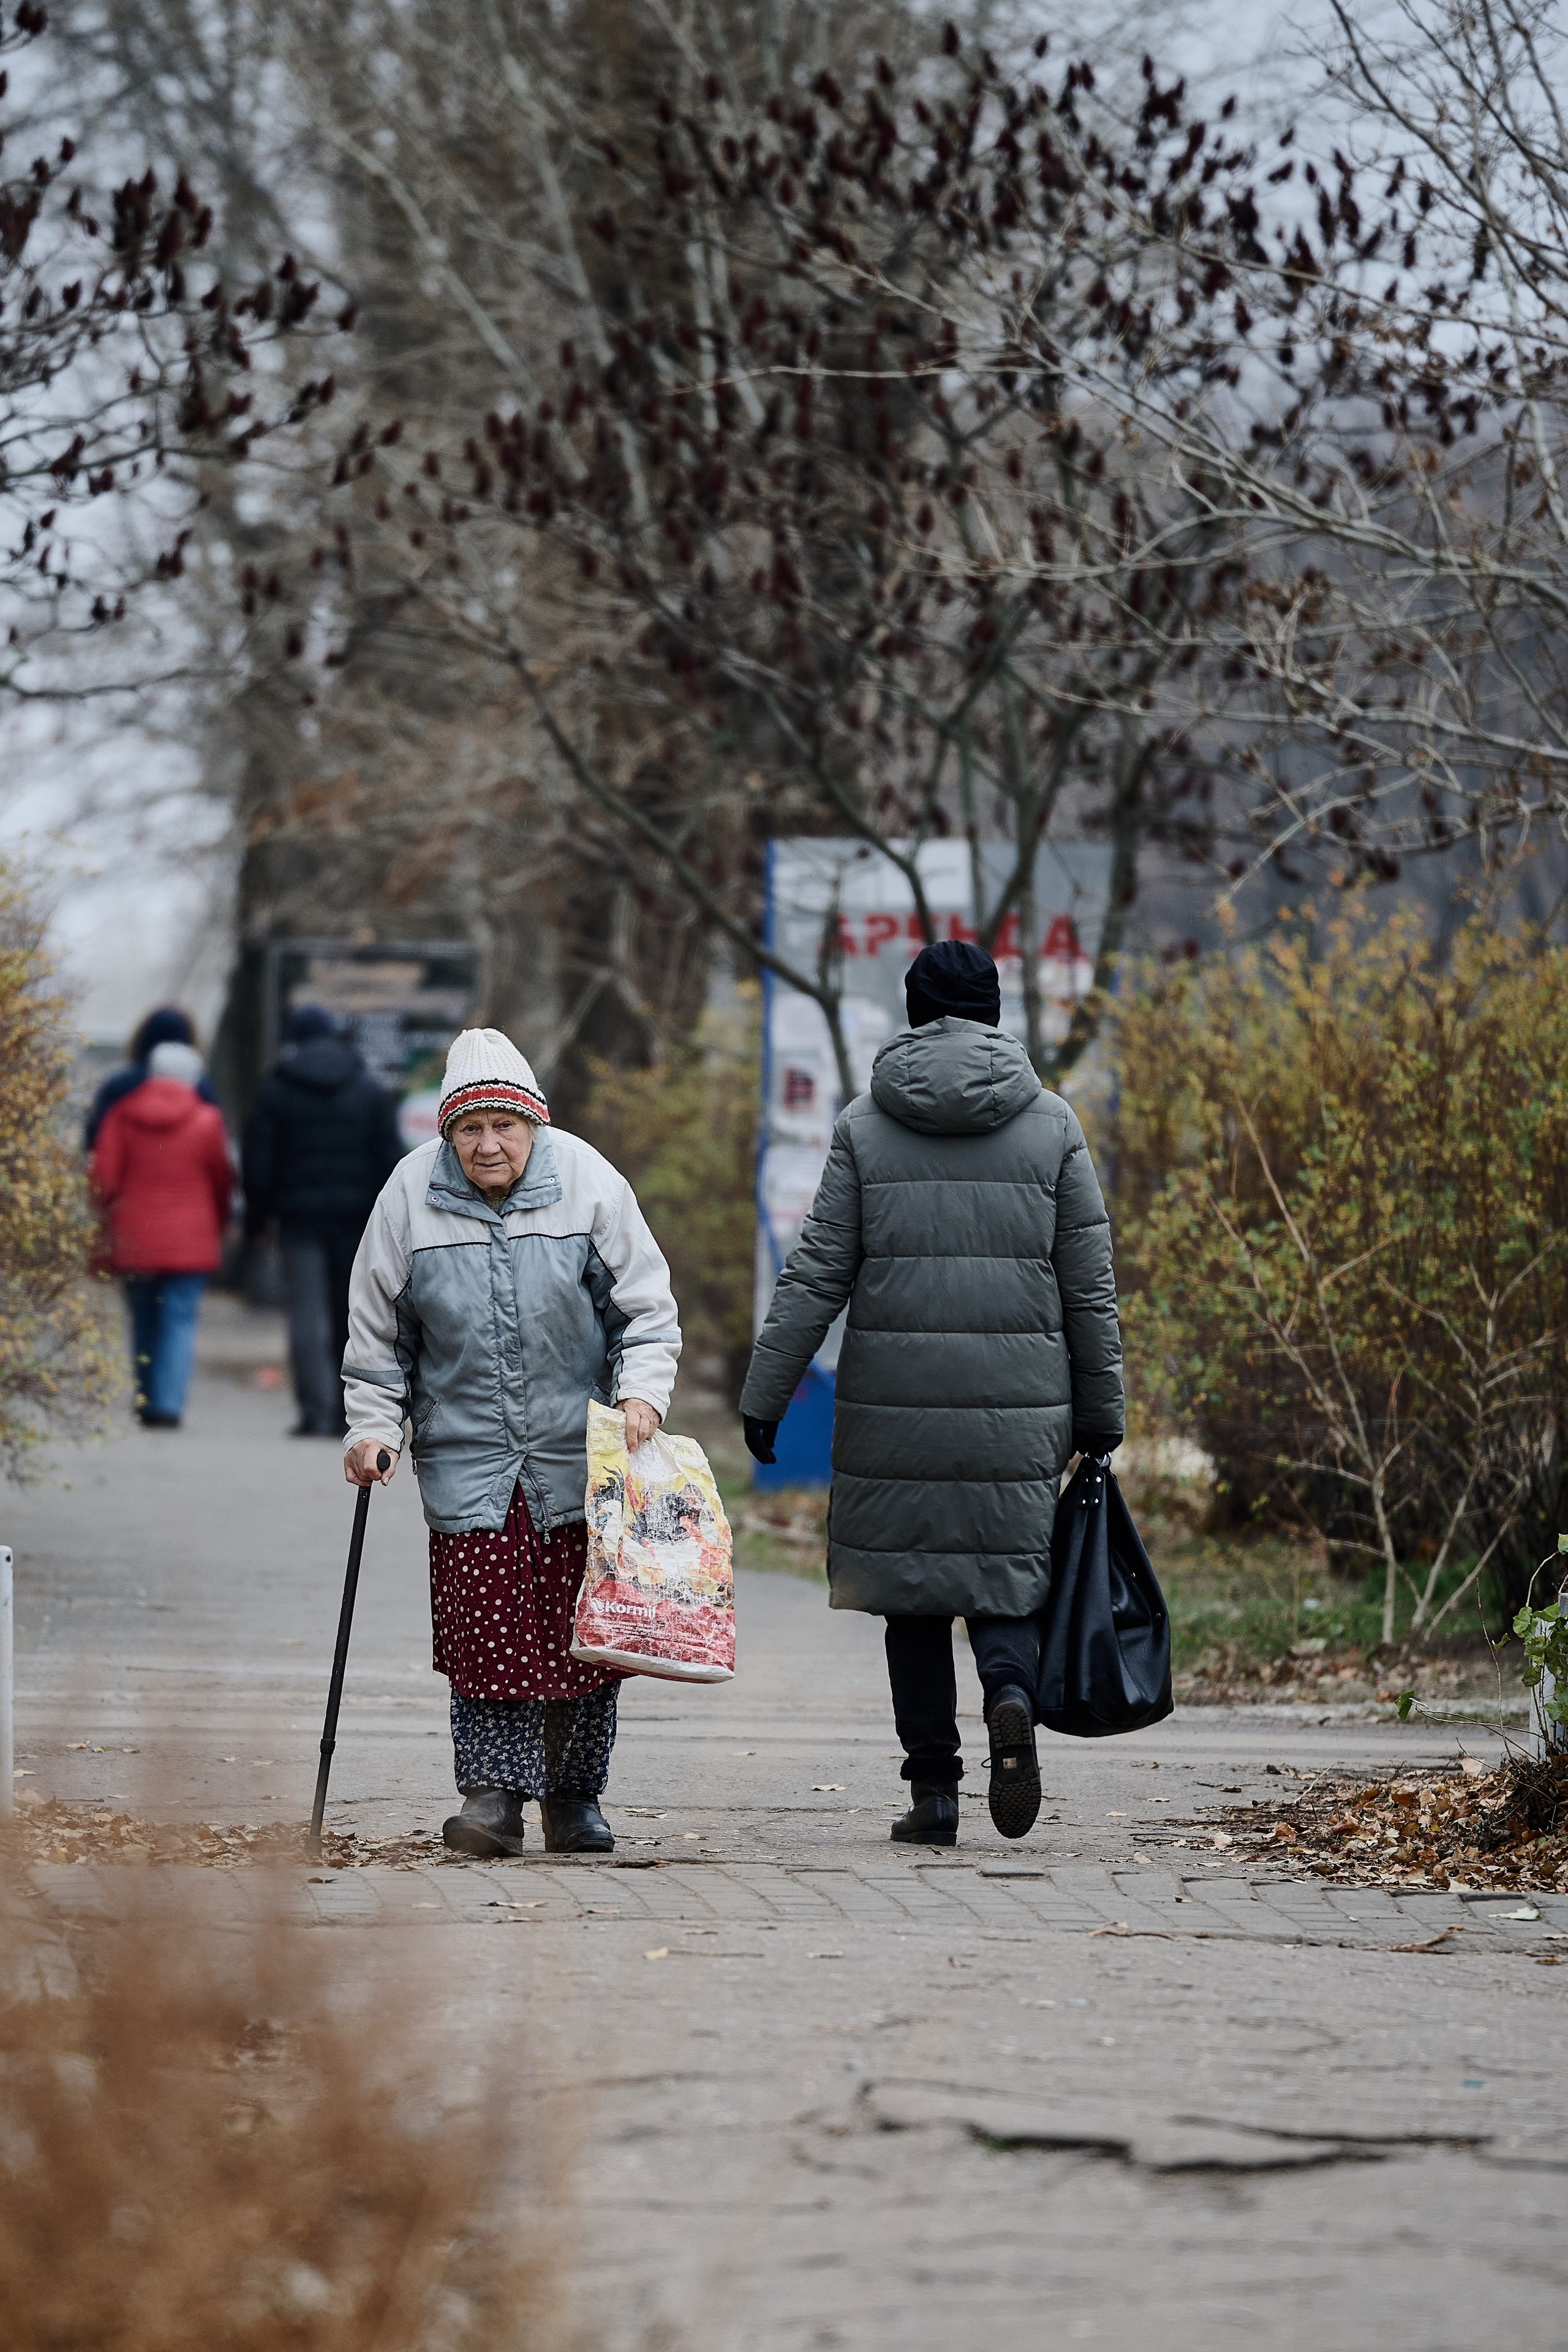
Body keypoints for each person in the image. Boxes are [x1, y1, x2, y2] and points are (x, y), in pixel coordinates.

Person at [739, 940, 1125, 1848]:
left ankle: (936, 1795)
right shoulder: (1054, 1125)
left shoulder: (866, 1126)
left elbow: (816, 1276)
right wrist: (1103, 1419)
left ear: (912, 1014)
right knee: (1004, 1582)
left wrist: (769, 1394)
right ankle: (1011, 1696)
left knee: (911, 1595)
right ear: (996, 1015)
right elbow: (1089, 1288)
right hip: (1020, 1407)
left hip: (893, 1408)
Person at [340, 1027, 680, 1857]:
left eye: (505, 1127)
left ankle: (574, 1800)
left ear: (535, 1124)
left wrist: (642, 1393)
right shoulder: (409, 1198)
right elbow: (379, 1339)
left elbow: (643, 1311)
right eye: (470, 1130)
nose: (489, 1145)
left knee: (584, 1639)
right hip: (468, 1458)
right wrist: (374, 1429)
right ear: (447, 1133)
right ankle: (492, 1800)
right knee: (487, 1636)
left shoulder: (589, 1183)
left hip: (579, 1456)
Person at [243, 1006, 404, 1438]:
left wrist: (257, 1220)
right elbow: (390, 1158)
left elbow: (258, 1163)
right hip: (357, 1221)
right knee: (351, 1314)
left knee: (305, 1315)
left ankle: (315, 1410)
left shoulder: (277, 1089)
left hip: (298, 1219)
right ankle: (348, 1415)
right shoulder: (368, 1088)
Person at [90, 1040, 235, 1429]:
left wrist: (104, 1223)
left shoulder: (121, 1115)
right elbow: (222, 1180)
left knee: (143, 1319)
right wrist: (219, 1222)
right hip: (191, 1237)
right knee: (180, 1319)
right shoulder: (207, 1120)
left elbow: (103, 1179)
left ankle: (145, 1396)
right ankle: (168, 1405)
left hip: (134, 1237)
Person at [83, 1006, 220, 1152]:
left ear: (143, 1039)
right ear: (190, 1041)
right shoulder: (202, 1089)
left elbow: (95, 1140)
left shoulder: (119, 1086)